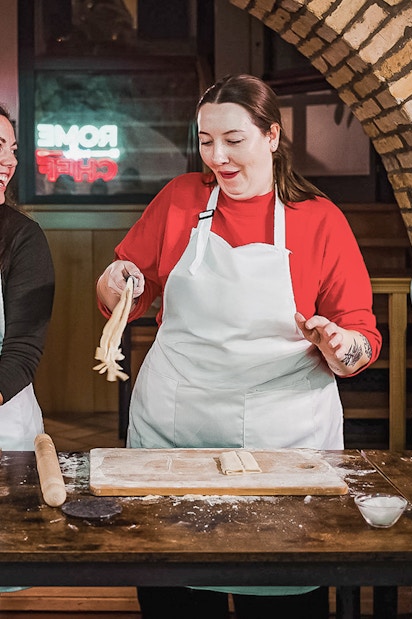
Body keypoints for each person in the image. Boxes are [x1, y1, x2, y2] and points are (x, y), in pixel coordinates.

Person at [96, 74, 382, 619]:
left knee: (279, 587)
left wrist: (337, 343)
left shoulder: (320, 219)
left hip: (285, 436)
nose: (219, 157)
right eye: (206, 141)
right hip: (176, 426)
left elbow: (360, 343)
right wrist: (118, 280)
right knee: (175, 584)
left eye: (234, 140)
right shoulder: (180, 199)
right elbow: (122, 296)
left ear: (272, 136)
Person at [0, 105, 55, 450]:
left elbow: (23, 350)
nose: (10, 161)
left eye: (13, 149)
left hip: (4, 430)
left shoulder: (23, 238)